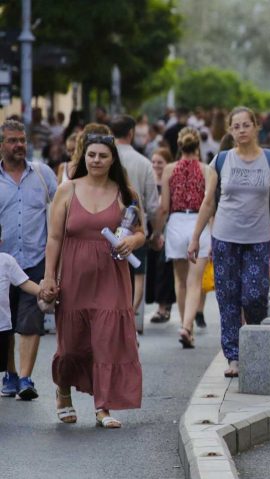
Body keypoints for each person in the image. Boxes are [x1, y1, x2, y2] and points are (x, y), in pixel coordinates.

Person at [189, 106, 270, 378]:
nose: (241, 130)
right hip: (225, 238)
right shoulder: (220, 161)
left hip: (258, 239)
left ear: (256, 127)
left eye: (246, 125)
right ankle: (235, 357)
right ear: (230, 130)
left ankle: (255, 341)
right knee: (227, 299)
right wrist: (195, 237)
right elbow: (208, 202)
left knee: (254, 295)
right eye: (236, 126)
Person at [42, 132, 145, 428]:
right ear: (83, 157)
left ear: (113, 159)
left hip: (112, 278)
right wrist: (49, 276)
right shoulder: (68, 190)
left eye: (102, 155)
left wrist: (133, 243)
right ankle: (63, 391)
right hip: (74, 278)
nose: (96, 160)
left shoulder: (125, 191)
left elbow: (139, 231)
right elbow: (54, 237)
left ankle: (103, 407)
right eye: (91, 155)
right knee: (71, 346)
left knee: (105, 342)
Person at [0, 119, 57, 400]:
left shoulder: (43, 174)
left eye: (22, 140)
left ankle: (25, 378)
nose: (19, 145)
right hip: (3, 265)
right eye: (12, 140)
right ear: (1, 145)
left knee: (31, 320)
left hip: (36, 260)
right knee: (6, 323)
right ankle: (10, 374)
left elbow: (60, 213)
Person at [154, 128, 214, 348]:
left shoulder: (169, 170)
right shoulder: (206, 170)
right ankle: (188, 327)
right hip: (199, 223)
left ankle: (184, 325)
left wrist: (157, 233)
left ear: (179, 145)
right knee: (195, 281)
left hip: (177, 223)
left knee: (180, 281)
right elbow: (210, 204)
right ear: (198, 145)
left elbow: (164, 207)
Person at [111, 115, 160, 322]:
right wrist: (155, 233)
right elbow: (153, 204)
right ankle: (130, 314)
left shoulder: (105, 157)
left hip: (108, 225)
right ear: (131, 133)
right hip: (135, 226)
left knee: (111, 276)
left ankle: (115, 315)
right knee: (137, 273)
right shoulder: (144, 162)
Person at [0, 226, 43, 385]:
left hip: (2, 327)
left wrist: (42, 292)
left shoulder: (6, 261)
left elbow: (24, 282)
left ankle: (17, 379)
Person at [145, 148, 176, 325]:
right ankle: (157, 303)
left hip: (165, 229)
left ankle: (163, 307)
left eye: (160, 162)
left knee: (163, 269)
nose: (156, 165)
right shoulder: (148, 181)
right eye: (154, 162)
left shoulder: (170, 183)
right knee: (151, 268)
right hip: (149, 229)